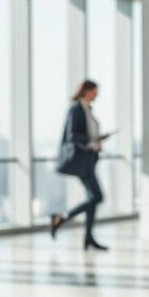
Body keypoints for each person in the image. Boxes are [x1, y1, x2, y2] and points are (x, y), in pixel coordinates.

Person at [49, 80, 111, 251]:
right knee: (97, 197)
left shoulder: (88, 110)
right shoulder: (75, 109)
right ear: (87, 91)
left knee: (93, 197)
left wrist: (97, 140)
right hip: (81, 161)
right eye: (95, 91)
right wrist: (91, 142)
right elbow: (72, 136)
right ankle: (61, 217)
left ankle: (88, 237)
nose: (97, 95)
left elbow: (87, 134)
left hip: (89, 160)